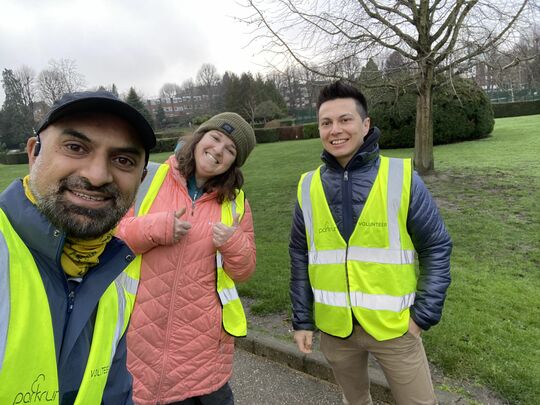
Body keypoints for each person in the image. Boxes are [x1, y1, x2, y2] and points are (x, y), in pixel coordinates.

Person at [289, 81, 452, 405]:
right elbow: (299, 254)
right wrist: (303, 320)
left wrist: (422, 316)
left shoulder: (402, 177)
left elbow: (436, 246)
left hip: (396, 328)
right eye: (326, 122)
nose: (335, 130)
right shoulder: (307, 186)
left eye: (345, 119)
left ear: (365, 125)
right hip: (336, 330)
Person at [0, 90, 156, 404]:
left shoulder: (113, 273)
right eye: (75, 147)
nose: (97, 176)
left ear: (139, 179)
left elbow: (115, 392)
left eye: (123, 160)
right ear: (34, 153)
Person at [116, 112, 257, 405]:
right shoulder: (149, 177)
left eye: (230, 150)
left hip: (203, 343)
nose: (218, 150)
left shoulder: (236, 201)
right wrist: (158, 228)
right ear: (200, 137)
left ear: (234, 162)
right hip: (141, 334)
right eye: (215, 138)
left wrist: (232, 243)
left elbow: (244, 270)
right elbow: (114, 238)